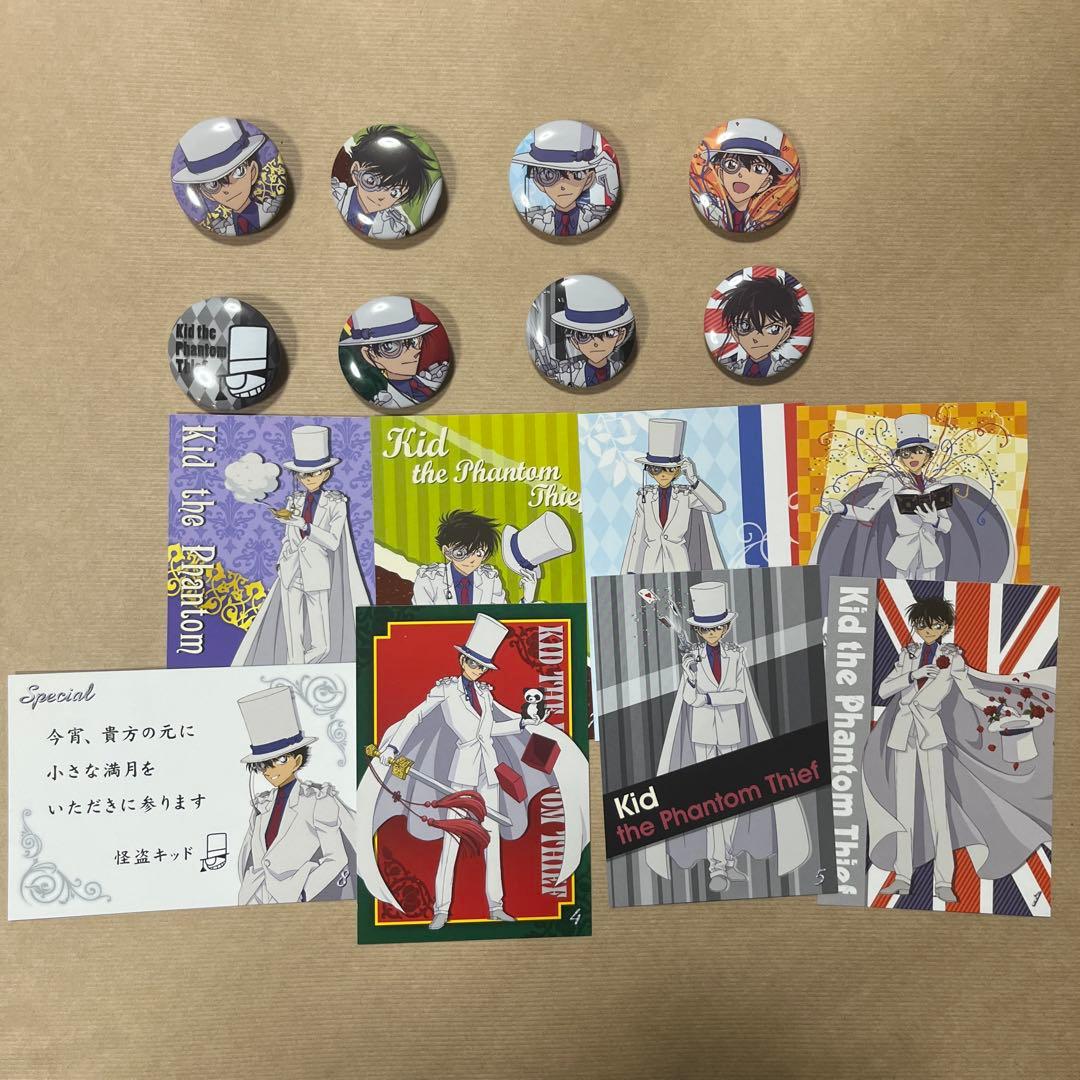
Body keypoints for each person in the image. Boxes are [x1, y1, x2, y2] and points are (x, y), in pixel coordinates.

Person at [356, 615, 590, 929]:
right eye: (472, 663)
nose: (476, 670)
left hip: (489, 775)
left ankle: (496, 906)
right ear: (462, 660)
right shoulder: (446, 690)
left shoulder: (485, 694)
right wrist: (393, 748)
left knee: (492, 841)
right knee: (453, 840)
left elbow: (491, 730)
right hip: (461, 777)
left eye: (482, 666)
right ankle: (442, 910)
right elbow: (414, 717)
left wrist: (523, 723)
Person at [863, 596, 1054, 902]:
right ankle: (902, 876)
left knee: (939, 810)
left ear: (945, 627)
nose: (928, 631)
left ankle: (943, 881)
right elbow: (884, 689)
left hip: (931, 736)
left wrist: (999, 709)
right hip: (902, 736)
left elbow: (970, 692)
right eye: (923, 625)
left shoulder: (952, 658)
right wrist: (912, 675)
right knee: (904, 809)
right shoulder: (908, 654)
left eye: (935, 625)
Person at [645, 581, 811, 891]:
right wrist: (690, 675)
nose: (712, 634)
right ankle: (717, 866)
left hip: (731, 733)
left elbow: (739, 695)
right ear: (698, 631)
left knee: (733, 799)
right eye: (706, 629)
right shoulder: (692, 657)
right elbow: (689, 699)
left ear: (726, 628)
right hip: (702, 736)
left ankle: (727, 860)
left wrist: (706, 697)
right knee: (710, 800)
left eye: (718, 628)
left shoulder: (736, 656)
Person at [814, 414, 1015, 584]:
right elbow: (867, 513)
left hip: (930, 555)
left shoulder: (937, 488)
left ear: (928, 455)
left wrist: (933, 521)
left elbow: (947, 526)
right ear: (900, 457)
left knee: (928, 596)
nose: (913, 457)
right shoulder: (893, 483)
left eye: (918, 451)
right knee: (901, 596)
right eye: (906, 453)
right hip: (903, 554)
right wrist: (841, 508)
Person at [232, 426, 370, 666]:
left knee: (322, 645)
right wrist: (281, 561)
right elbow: (288, 537)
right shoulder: (294, 500)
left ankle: (301, 666)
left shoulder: (335, 503)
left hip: (317, 572)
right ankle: (294, 672)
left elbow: (333, 541)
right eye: (302, 475)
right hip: (290, 571)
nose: (308, 479)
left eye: (314, 473)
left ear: (326, 473)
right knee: (292, 639)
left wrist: (304, 525)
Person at [236, 686, 356, 905]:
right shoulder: (262, 805)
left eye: (280, 760)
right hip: (255, 899)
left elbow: (336, 857)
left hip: (295, 898)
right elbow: (254, 857)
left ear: (297, 760)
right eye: (263, 765)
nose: (270, 771)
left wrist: (304, 893)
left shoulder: (318, 801)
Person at [622, 418, 726, 574]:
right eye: (657, 469)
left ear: (678, 471)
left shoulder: (685, 496)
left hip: (679, 566)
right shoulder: (645, 498)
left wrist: (693, 479)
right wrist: (632, 572)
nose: (663, 475)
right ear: (649, 471)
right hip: (649, 567)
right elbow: (638, 537)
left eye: (670, 469)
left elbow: (717, 507)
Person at [171, 117, 283, 236]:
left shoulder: (268, 210)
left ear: (253, 172)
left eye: (238, 172)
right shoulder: (224, 228)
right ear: (207, 194)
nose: (227, 189)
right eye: (213, 185)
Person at [331, 124, 441, 239]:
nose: (381, 197)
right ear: (355, 171)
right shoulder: (337, 194)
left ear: (401, 198)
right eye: (371, 181)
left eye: (394, 193)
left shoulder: (395, 228)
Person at [338, 296, 449, 410]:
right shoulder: (386, 400)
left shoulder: (430, 381)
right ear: (369, 355)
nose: (415, 351)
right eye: (390, 346)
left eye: (415, 341)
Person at [511, 120, 618, 236]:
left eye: (576, 175)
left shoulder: (594, 217)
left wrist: (612, 191)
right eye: (548, 176)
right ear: (538, 182)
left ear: (589, 179)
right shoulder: (536, 219)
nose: (563, 187)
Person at [696, 118, 795, 233]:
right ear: (720, 173)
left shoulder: (758, 221)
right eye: (731, 165)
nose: (742, 174)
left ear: (766, 182)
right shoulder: (711, 209)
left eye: (758, 169)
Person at [534, 277, 635, 388]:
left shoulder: (621, 367)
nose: (596, 344)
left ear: (620, 336)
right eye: (583, 335)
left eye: (609, 333)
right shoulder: (567, 374)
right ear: (574, 341)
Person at [711, 273, 805, 379]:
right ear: (735, 333)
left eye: (773, 329)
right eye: (745, 326)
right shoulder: (733, 367)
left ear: (785, 334)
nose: (757, 338)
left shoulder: (781, 367)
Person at [413, 510, 508, 604]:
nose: (471, 560)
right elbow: (422, 612)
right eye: (460, 553)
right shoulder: (428, 579)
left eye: (478, 553)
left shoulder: (490, 579)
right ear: (447, 552)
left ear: (485, 555)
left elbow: (501, 610)